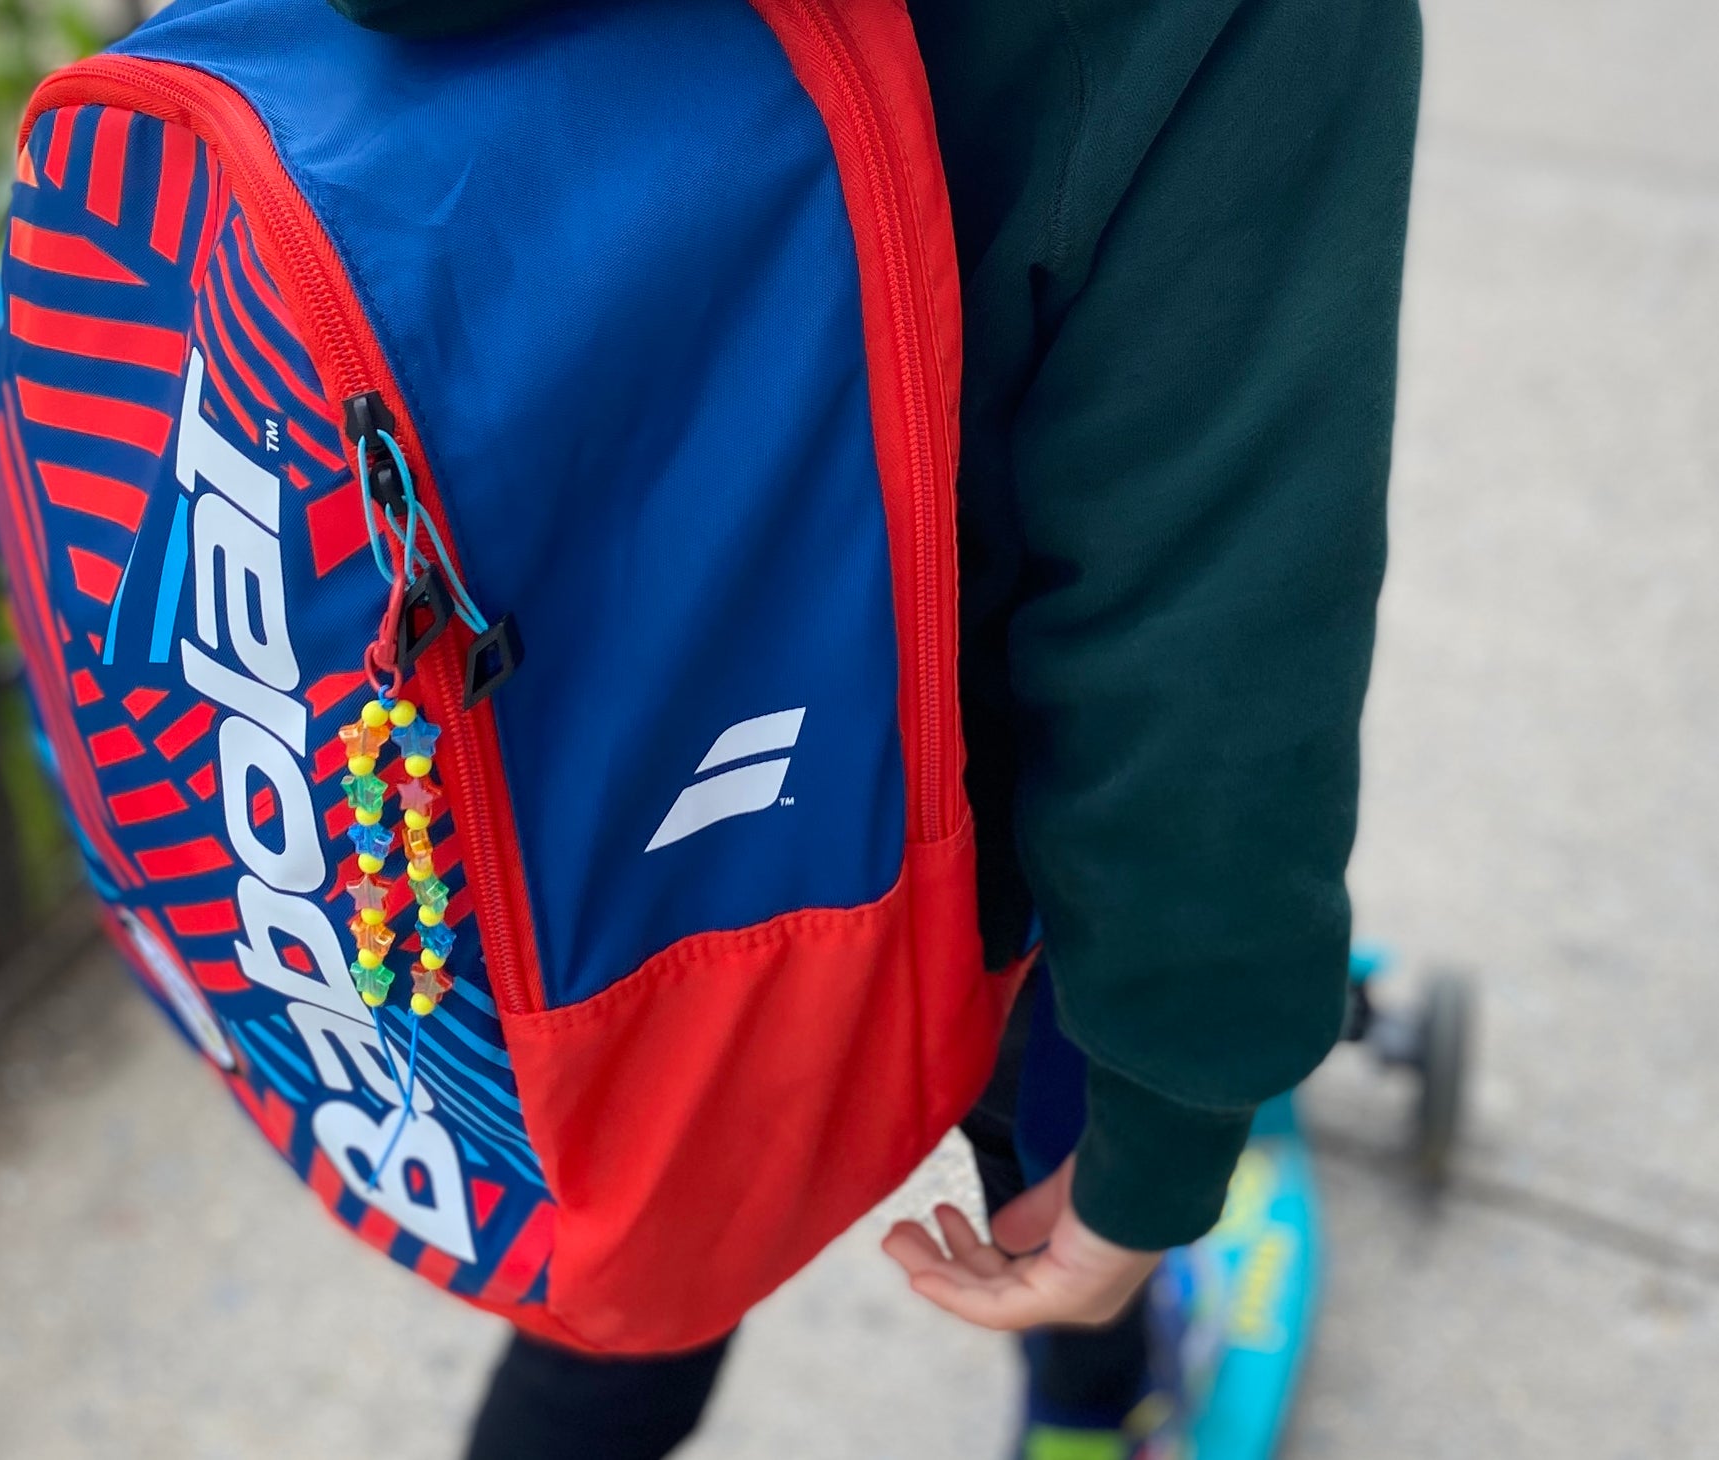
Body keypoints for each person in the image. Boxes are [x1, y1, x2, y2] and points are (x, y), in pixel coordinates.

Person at [319, 0, 1423, 1454]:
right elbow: (1206, 602)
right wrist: (1169, 1109)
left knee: (646, 1253)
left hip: (570, 776)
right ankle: (1094, 1414)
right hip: (937, 815)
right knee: (1054, 1191)